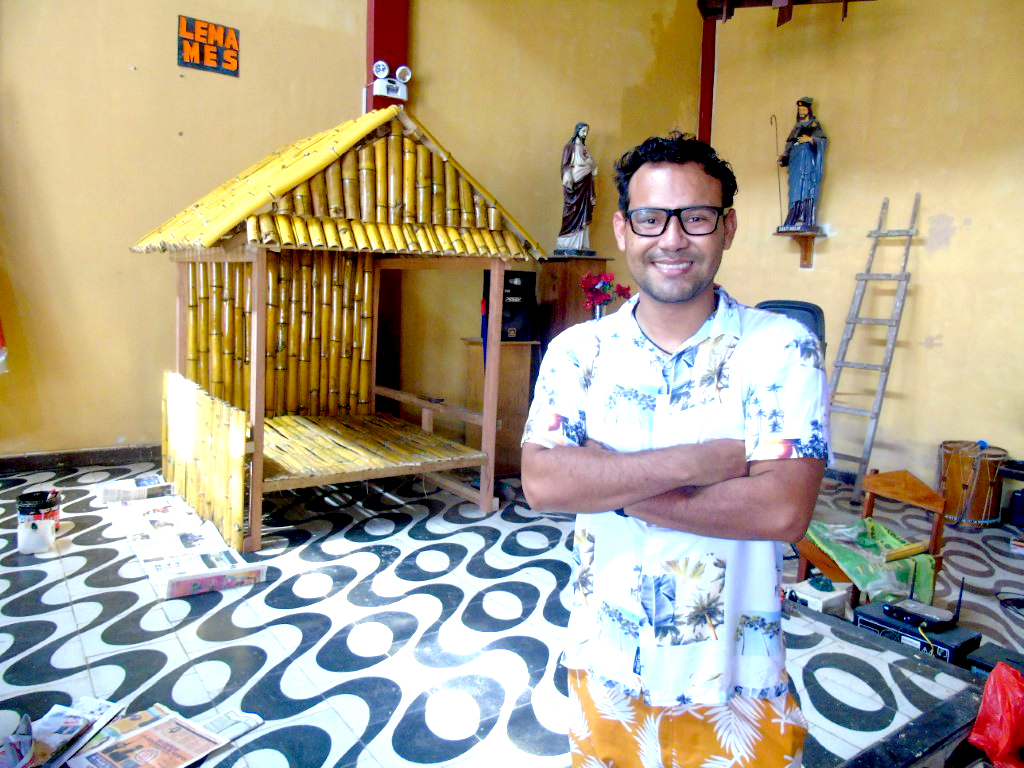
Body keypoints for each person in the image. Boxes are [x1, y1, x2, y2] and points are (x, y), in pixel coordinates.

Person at [521, 131, 829, 767]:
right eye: (651, 218)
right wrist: (703, 462)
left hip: (737, 682)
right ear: (623, 229)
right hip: (606, 665)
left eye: (696, 218)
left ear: (728, 228)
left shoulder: (780, 348)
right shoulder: (578, 352)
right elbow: (543, 484)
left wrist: (608, 480)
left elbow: (781, 511)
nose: (672, 239)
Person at [778, 97, 827, 231]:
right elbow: (790, 145)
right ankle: (793, 218)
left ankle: (808, 219)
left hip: (807, 161)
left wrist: (810, 139)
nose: (801, 112)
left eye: (804, 109)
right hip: (796, 162)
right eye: (800, 110)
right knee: (795, 189)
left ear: (808, 110)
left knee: (807, 188)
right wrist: (784, 158)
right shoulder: (796, 127)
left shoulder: (814, 125)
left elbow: (822, 141)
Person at [555, 122, 597, 252]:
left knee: (584, 210)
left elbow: (592, 163)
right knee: (571, 211)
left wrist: (591, 164)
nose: (585, 134)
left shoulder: (584, 148)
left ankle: (581, 243)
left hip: (585, 183)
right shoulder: (569, 147)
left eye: (586, 132)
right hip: (575, 183)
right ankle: (567, 240)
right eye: (583, 131)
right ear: (577, 131)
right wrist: (568, 178)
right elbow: (565, 164)